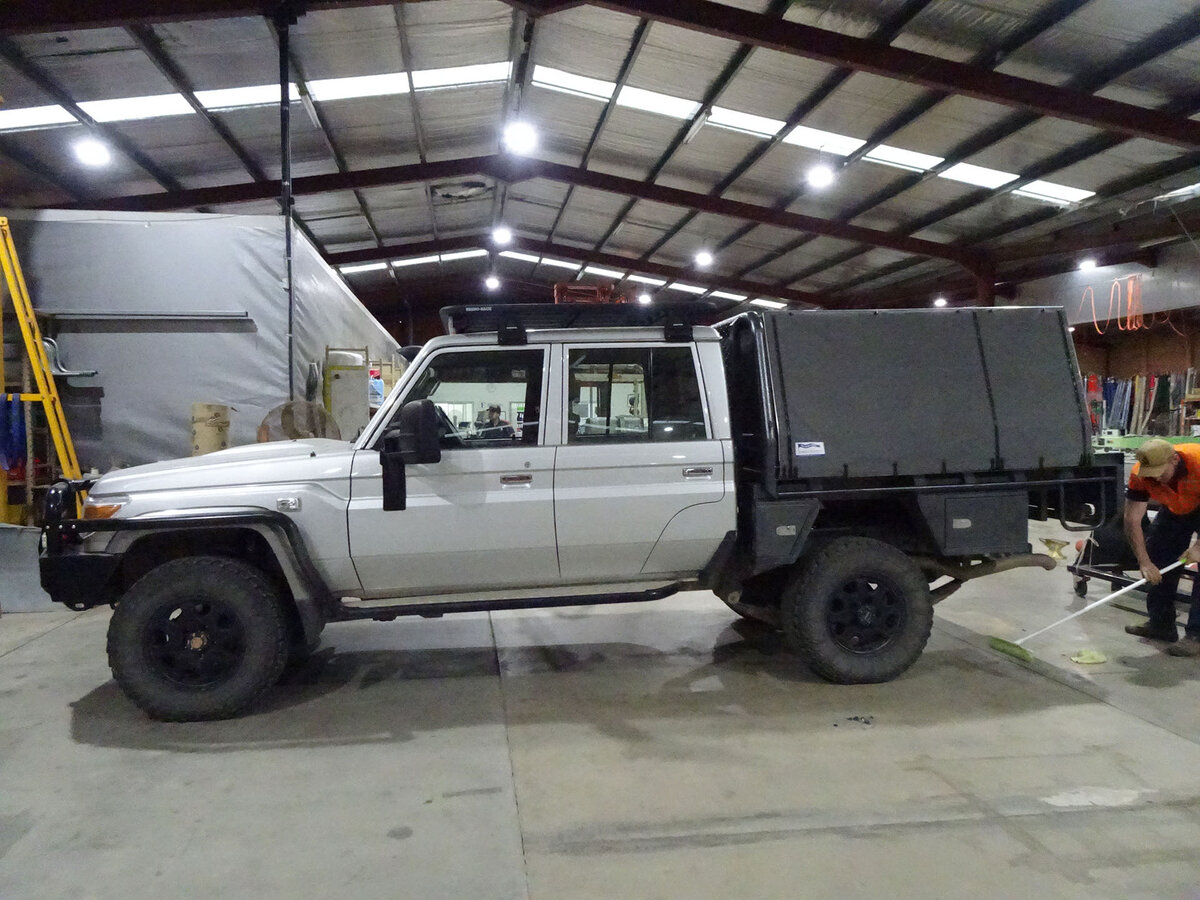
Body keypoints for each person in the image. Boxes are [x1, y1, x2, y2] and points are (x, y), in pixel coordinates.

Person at [1123, 438, 1200, 656]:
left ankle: (1196, 635)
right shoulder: (1140, 474)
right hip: (1176, 508)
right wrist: (1144, 561)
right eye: (1150, 472)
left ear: (1174, 460)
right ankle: (1161, 625)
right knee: (1157, 555)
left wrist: (1198, 546)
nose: (1155, 477)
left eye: (1160, 471)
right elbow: (1132, 520)